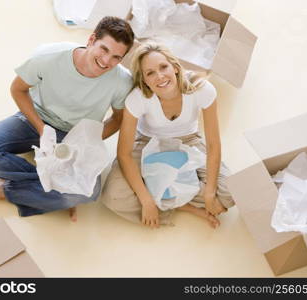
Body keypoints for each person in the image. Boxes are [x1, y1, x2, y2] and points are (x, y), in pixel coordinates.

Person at [0, 16, 135, 221]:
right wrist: (40, 127)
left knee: (88, 192)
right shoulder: (49, 56)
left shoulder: (122, 81)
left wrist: (85, 141)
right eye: (104, 49)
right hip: (33, 120)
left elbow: (118, 119)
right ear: (91, 39)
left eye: (117, 57)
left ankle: (7, 190)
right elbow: (18, 89)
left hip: (72, 135)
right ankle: (53, 193)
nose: (107, 61)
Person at [101, 43, 235, 228]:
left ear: (175, 67)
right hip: (147, 143)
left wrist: (210, 193)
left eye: (163, 67)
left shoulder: (203, 89)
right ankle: (184, 206)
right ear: (144, 81)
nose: (160, 76)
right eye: (150, 73)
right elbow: (124, 154)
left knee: (230, 192)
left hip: (189, 140)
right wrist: (147, 201)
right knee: (113, 197)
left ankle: (166, 193)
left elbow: (213, 145)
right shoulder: (137, 98)